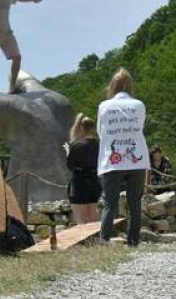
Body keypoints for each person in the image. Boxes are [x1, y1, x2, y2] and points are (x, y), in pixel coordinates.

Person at [97, 68, 149, 246]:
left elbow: (100, 132)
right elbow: (139, 128)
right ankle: (133, 240)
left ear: (112, 86)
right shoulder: (139, 105)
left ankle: (104, 240)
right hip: (136, 158)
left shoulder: (104, 106)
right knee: (134, 202)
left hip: (113, 159)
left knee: (109, 203)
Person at [64, 113, 101, 225]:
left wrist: (68, 151)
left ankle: (84, 242)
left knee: (80, 219)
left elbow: (70, 165)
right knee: (92, 219)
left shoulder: (77, 145)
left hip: (79, 182)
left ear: (81, 127)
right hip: (94, 180)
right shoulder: (98, 144)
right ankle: (94, 241)